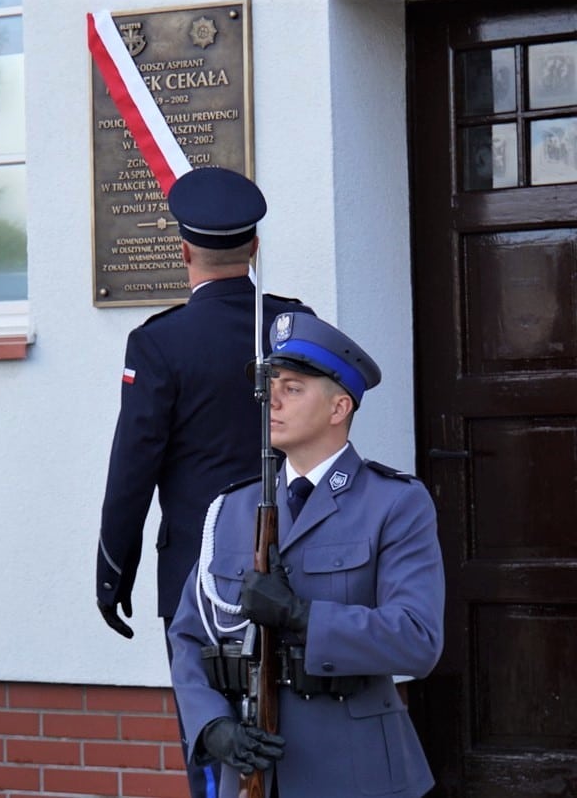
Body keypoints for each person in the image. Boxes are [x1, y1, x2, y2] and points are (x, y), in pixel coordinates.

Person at [96, 166, 313, 797]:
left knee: (214, 747)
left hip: (199, 581)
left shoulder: (160, 343)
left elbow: (132, 471)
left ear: (184, 251)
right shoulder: (291, 328)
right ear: (255, 248)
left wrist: (114, 571)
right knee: (296, 745)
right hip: (296, 565)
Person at [168, 313, 445, 797]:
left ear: (339, 407)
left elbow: (418, 639)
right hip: (254, 764)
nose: (271, 399)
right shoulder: (235, 508)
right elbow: (189, 634)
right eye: (271, 383)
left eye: (293, 388)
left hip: (355, 770)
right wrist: (212, 724)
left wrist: (301, 616)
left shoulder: (395, 503)